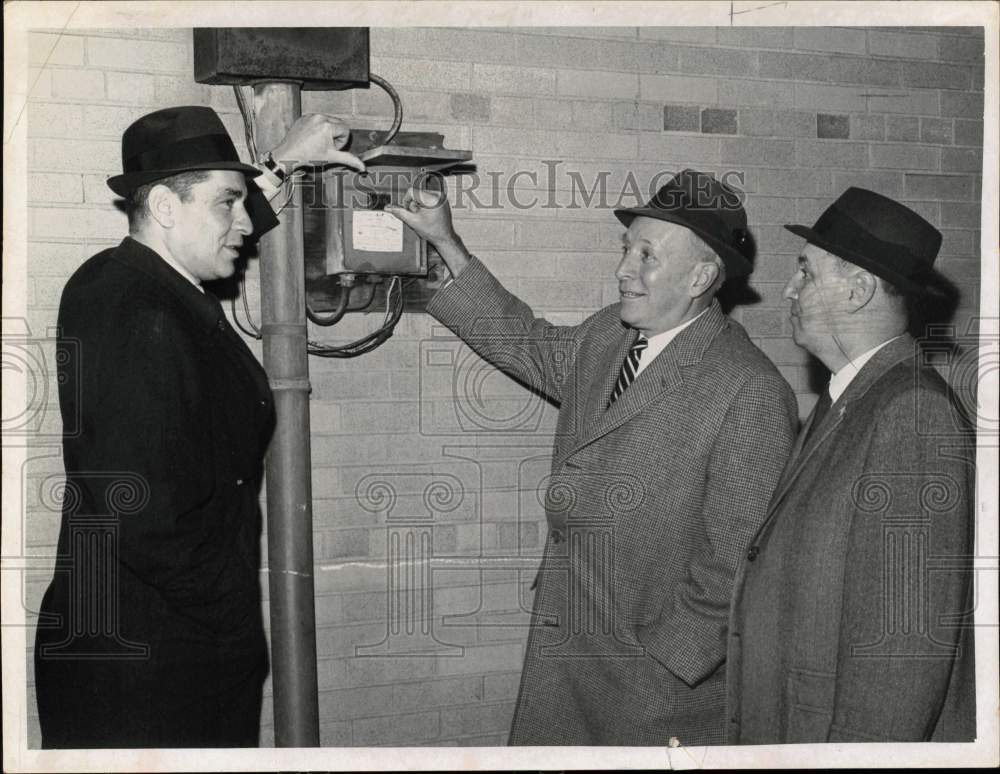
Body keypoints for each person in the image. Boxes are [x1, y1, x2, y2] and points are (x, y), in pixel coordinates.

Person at [388, 169, 798, 745]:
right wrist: (444, 241)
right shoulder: (610, 334)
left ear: (702, 275)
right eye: (626, 249)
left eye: (646, 256)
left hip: (651, 692)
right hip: (569, 649)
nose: (623, 270)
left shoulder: (746, 388)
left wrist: (662, 665)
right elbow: (524, 342)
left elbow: (735, 565)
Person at [34, 105, 364, 748]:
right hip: (149, 664)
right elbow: (144, 516)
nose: (244, 223)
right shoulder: (134, 306)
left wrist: (283, 167)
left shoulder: (154, 287)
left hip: (163, 646)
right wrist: (231, 625)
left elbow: (222, 223)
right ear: (162, 206)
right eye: (227, 204)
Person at [726, 187, 976, 744]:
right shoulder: (849, 396)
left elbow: (900, 657)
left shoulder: (911, 415)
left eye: (805, 274)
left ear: (859, 290)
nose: (787, 289)